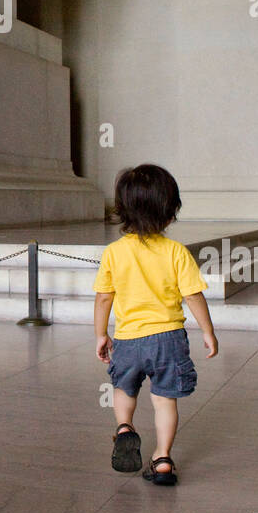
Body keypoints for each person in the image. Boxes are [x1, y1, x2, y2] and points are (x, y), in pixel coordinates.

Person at [93, 163, 218, 486]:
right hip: (168, 339)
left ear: (122, 210)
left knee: (124, 388)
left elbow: (104, 298)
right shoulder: (176, 252)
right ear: (169, 211)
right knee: (164, 399)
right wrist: (208, 331)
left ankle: (124, 427)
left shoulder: (114, 253)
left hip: (128, 339)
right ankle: (162, 458)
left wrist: (100, 334)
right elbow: (193, 296)